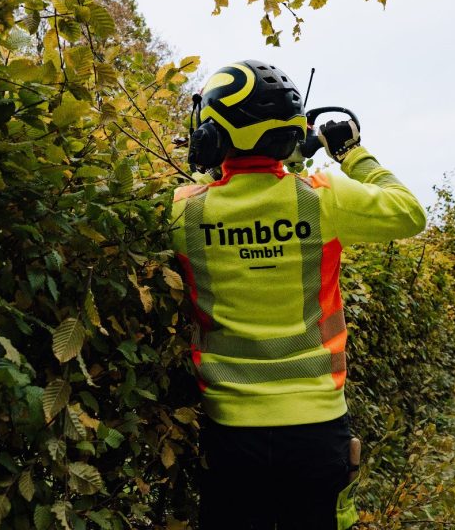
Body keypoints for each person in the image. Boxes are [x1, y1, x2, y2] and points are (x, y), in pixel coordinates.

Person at [170, 60, 426, 529]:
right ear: (288, 135)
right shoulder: (322, 197)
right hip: (317, 429)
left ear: (214, 135)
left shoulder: (184, 211)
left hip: (230, 432)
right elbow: (409, 212)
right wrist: (350, 153)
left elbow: (229, 188)